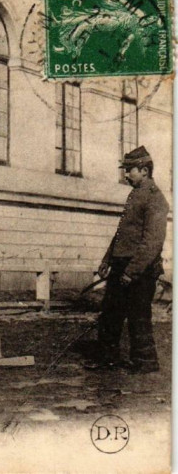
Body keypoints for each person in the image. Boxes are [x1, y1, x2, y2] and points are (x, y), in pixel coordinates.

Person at [85, 146, 169, 374]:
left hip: (140, 269)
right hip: (122, 265)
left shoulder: (156, 199)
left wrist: (131, 272)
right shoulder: (135, 194)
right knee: (111, 312)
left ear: (144, 170)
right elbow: (122, 234)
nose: (126, 175)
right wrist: (107, 260)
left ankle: (145, 362)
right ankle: (107, 358)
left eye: (129, 170)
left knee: (138, 315)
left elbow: (152, 242)